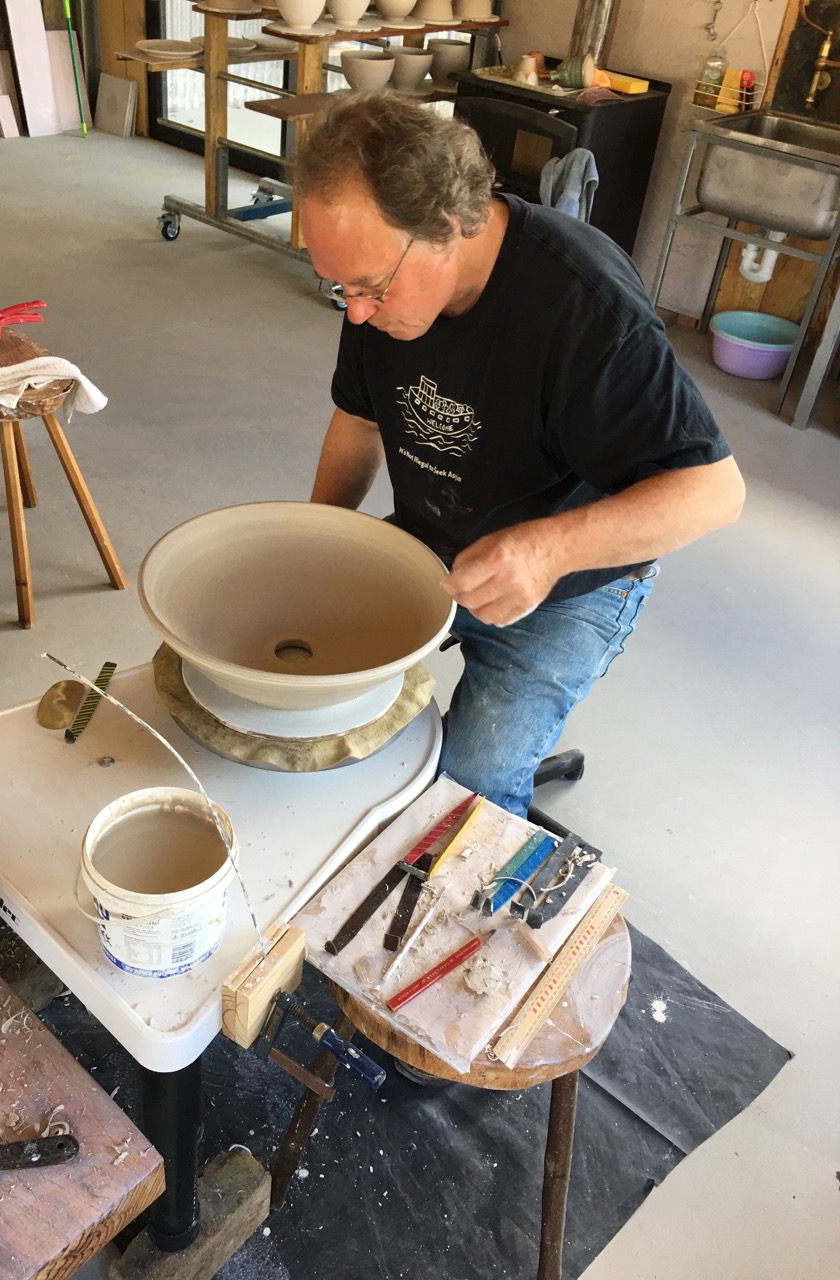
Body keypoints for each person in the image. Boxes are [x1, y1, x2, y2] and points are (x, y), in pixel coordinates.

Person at [295, 90, 745, 818]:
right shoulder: (374, 284)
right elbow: (358, 419)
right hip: (436, 540)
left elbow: (715, 492)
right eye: (340, 286)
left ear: (447, 226)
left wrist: (545, 551)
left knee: (465, 788)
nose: (356, 311)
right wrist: (317, 540)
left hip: (572, 579)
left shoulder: (584, 304)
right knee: (310, 693)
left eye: (371, 287)